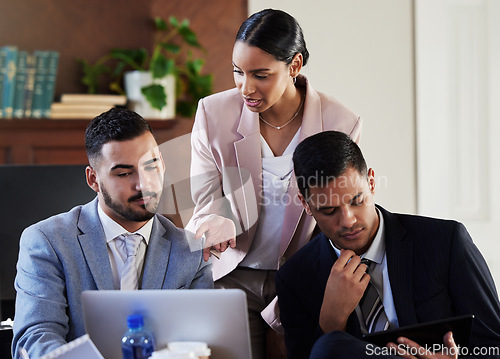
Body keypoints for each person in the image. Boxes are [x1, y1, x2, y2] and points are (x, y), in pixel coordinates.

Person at [188, 8, 362, 358]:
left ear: (294, 65)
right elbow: (205, 197)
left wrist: (302, 286)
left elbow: (337, 214)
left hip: (302, 277)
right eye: (238, 72)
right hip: (231, 275)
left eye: (260, 75)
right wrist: (215, 220)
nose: (245, 87)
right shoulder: (213, 113)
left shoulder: (340, 122)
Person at [276, 130, 500, 358]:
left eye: (357, 200)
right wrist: (331, 322)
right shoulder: (295, 278)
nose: (348, 221)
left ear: (371, 182)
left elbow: (494, 345)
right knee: (328, 345)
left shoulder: (445, 241)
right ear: (305, 204)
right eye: (329, 210)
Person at [12, 108, 213, 359]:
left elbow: (202, 341)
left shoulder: (191, 250)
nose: (144, 184)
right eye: (124, 173)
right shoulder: (47, 242)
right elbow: (36, 337)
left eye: (151, 166)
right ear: (93, 179)